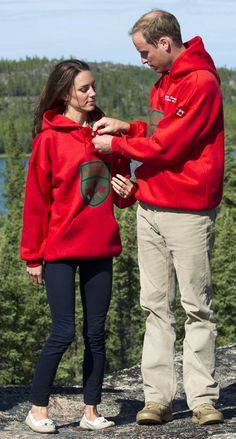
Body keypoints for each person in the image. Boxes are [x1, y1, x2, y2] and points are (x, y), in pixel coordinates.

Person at [92, 9, 224, 426]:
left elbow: (169, 147)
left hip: (188, 212)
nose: (142, 59)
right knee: (154, 306)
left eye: (145, 51)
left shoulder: (201, 83)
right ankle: (158, 399)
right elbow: (157, 130)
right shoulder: (163, 82)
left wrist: (117, 146)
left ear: (165, 43)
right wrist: (127, 127)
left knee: (195, 308)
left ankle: (201, 399)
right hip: (150, 206)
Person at [20, 59, 136, 434]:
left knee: (96, 334)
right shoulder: (49, 139)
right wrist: (32, 257)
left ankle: (90, 411)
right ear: (65, 92)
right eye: (84, 88)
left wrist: (128, 192)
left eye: (93, 87)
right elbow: (36, 202)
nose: (92, 94)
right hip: (58, 251)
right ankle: (37, 409)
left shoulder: (106, 136)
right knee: (63, 331)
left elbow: (119, 195)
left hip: (100, 246)